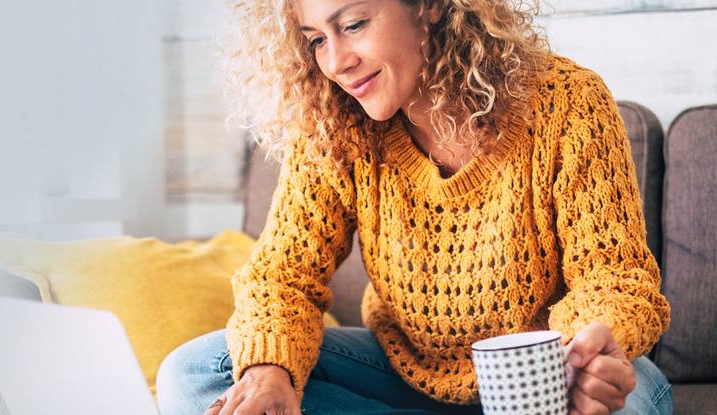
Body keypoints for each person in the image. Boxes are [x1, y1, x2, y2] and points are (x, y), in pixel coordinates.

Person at [156, 0, 674, 414]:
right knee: (198, 372)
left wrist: (583, 358)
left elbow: (615, 279)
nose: (336, 61)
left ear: (428, 5)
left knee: (630, 400)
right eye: (316, 39)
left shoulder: (566, 103)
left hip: (542, 383)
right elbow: (282, 277)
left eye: (354, 24)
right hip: (404, 379)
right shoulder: (337, 127)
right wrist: (270, 370)